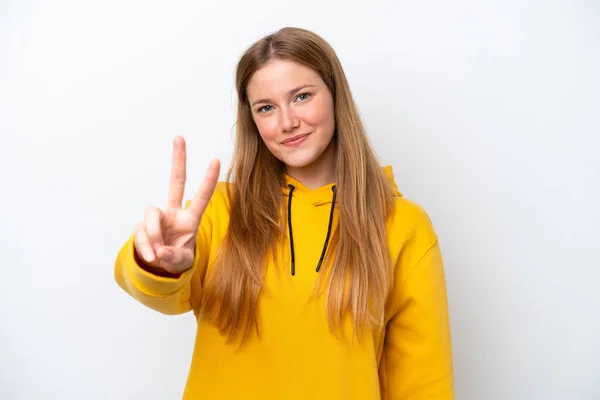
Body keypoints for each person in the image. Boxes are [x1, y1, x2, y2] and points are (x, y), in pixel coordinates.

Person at [114, 26, 454, 399]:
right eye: (266, 108)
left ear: (336, 96)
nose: (287, 121)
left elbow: (422, 383)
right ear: (253, 121)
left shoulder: (403, 225)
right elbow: (152, 292)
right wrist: (160, 263)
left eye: (302, 96)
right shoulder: (219, 211)